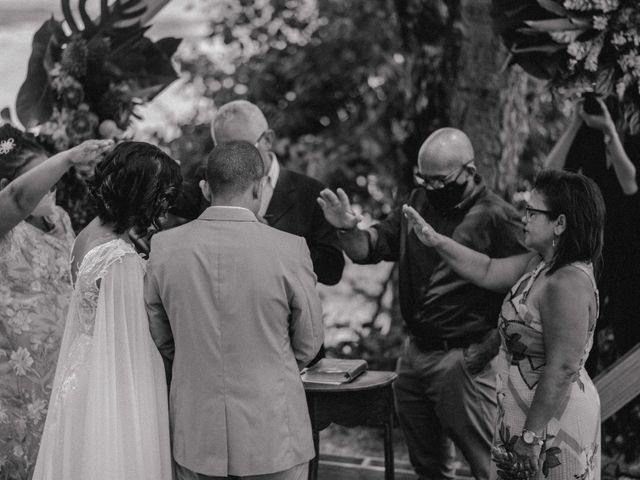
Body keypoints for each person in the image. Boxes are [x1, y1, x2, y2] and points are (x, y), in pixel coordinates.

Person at [317, 128, 526, 480]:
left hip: (463, 358)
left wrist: (489, 348)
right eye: (424, 179)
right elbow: (368, 249)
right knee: (426, 466)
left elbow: (525, 292)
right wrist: (346, 230)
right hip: (413, 356)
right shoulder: (417, 202)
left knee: (489, 467)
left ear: (469, 170)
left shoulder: (497, 217)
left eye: (441, 180)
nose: (431, 188)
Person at [403, 169, 604, 480]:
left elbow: (562, 367)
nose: (523, 216)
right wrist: (436, 241)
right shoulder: (540, 264)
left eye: (533, 212)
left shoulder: (568, 282)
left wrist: (530, 438)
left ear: (560, 224)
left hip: (551, 426)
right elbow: (485, 269)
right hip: (523, 418)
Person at [145, 141, 323, 480]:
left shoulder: (164, 248)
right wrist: (275, 364)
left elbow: (161, 334)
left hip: (196, 430)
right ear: (257, 186)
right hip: (273, 429)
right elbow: (309, 342)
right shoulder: (289, 249)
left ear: (205, 187)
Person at [32, 141, 180, 480]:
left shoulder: (86, 235)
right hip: (116, 379)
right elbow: (136, 339)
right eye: (163, 195)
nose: (165, 206)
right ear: (144, 194)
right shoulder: (119, 258)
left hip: (83, 371)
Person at [0, 123, 112, 479]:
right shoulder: (4, 228)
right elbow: (19, 199)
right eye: (41, 177)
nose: (52, 184)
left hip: (64, 377)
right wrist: (69, 156)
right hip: (16, 393)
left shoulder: (60, 219)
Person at [545, 95, 640, 365]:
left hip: (630, 246)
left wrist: (611, 130)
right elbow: (549, 174)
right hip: (592, 247)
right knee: (585, 325)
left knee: (629, 326)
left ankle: (630, 403)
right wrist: (575, 124)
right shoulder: (589, 137)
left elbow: (629, 184)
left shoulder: (634, 138)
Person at [210, 99, 344, 286]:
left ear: (267, 140)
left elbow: (332, 271)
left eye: (243, 149)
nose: (233, 159)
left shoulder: (311, 193)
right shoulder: (209, 184)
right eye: (223, 152)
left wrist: (275, 240)